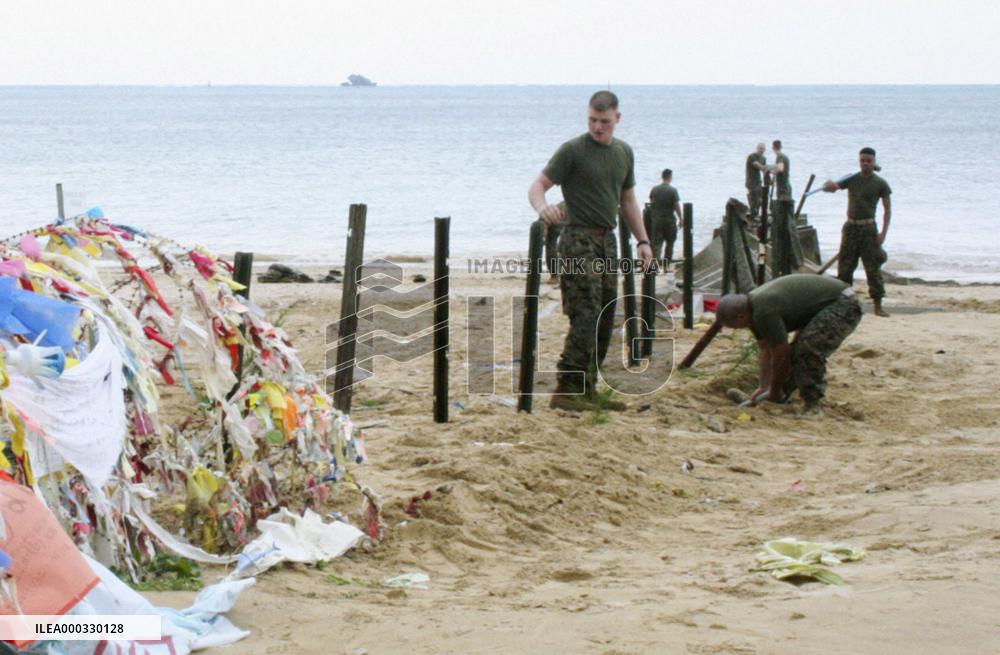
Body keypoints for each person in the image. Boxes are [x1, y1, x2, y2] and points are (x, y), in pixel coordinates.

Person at [528, 90, 653, 412]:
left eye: (604, 122)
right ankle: (566, 390)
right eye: (593, 121)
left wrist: (643, 241)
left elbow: (628, 202)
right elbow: (537, 186)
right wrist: (543, 208)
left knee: (607, 315)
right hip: (576, 241)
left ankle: (588, 389)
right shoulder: (573, 150)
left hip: (607, 241)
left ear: (617, 119)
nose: (598, 127)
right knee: (586, 314)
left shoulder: (624, 152)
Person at [716, 274, 862, 417]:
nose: (737, 330)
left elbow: (781, 355)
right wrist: (764, 386)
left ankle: (812, 405)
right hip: (823, 306)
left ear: (741, 316)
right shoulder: (751, 312)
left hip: (843, 303)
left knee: (807, 351)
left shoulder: (763, 312)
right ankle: (778, 397)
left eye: (734, 326)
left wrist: (774, 389)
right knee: (795, 352)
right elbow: (765, 351)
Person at [823, 147, 893, 317]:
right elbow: (833, 187)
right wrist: (828, 185)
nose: (865, 164)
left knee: (872, 267)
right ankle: (843, 303)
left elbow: (887, 210)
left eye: (868, 161)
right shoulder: (852, 179)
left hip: (869, 229)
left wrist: (883, 233)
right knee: (845, 267)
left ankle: (878, 304)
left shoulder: (880, 183)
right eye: (862, 160)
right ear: (859, 161)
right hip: (850, 227)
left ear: (874, 162)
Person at [767, 139, 797, 276]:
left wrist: (768, 168)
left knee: (782, 221)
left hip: (783, 191)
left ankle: (782, 267)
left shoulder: (780, 156)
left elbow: (780, 168)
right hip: (785, 188)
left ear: (774, 147)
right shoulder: (785, 157)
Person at [647, 169, 683, 266]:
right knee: (670, 243)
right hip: (669, 221)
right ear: (670, 177)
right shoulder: (673, 190)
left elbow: (651, 203)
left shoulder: (654, 189)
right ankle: (667, 265)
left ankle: (655, 266)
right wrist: (681, 219)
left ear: (662, 176)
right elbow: (676, 206)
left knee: (657, 244)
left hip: (657, 221)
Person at [745, 143, 767, 218]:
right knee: (754, 199)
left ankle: (756, 214)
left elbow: (764, 171)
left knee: (760, 199)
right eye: (760, 148)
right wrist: (772, 169)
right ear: (757, 148)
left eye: (763, 149)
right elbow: (758, 166)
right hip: (751, 181)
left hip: (758, 181)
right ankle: (753, 215)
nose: (761, 150)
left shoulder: (763, 158)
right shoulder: (752, 156)